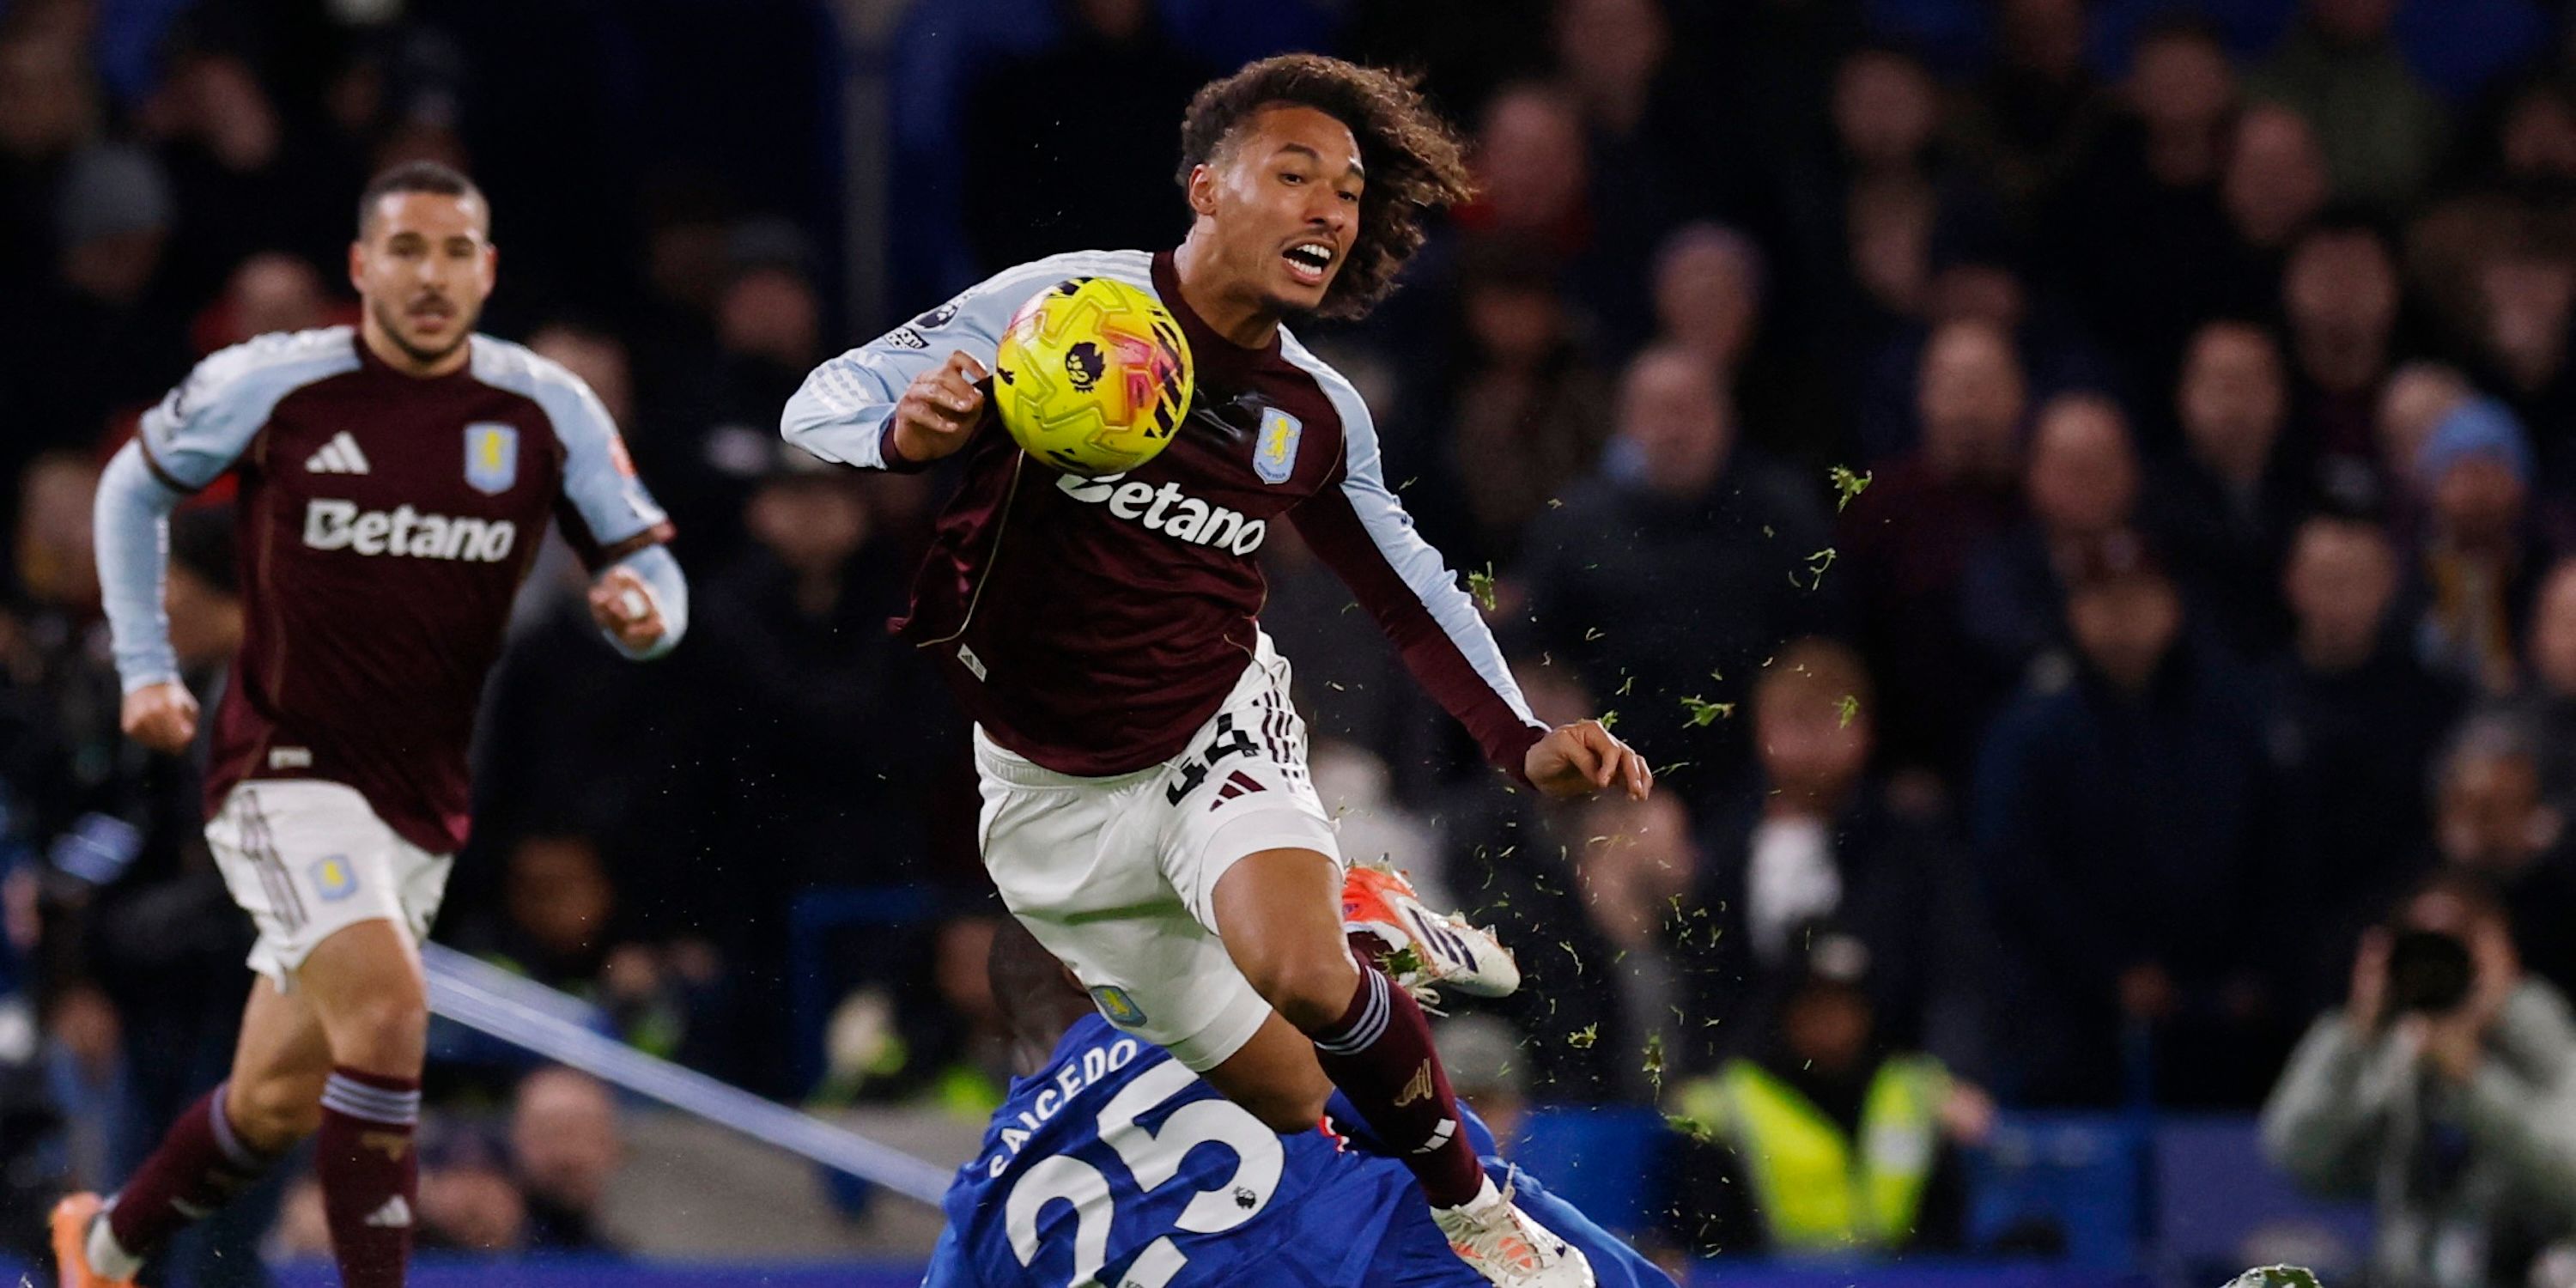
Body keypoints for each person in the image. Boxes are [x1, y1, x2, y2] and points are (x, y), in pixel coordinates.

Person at [782, 55, 1650, 1287]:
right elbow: (821, 398)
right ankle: (1363, 913)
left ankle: (1481, 1223)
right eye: (1293, 174)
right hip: (1047, 799)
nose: (1327, 211)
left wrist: (1521, 740)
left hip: (1213, 733)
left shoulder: (1315, 410)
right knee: (1299, 1091)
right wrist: (898, 428)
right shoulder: (1061, 309)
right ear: (1205, 186)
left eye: (1347, 192)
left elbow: (1408, 588)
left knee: (1297, 974)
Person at [54, 160, 688, 1288]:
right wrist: (147, 665)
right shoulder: (277, 382)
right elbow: (127, 488)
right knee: (390, 1011)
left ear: (486, 271)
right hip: (281, 773)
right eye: (405, 249)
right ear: (362, 267)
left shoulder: (546, 408)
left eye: (454, 251)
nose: (430, 273)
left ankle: (101, 1248)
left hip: (420, 805)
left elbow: (646, 558)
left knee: (269, 1100)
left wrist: (646, 617)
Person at [920, 918, 1675, 1288]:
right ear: (1085, 970)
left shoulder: (981, 1199)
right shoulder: (1214, 1020)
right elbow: (1449, 1145)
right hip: (1384, 1262)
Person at [2262, 871, 2576, 1288]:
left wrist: (2473, 1081)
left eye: (2456, 945)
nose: (2437, 966)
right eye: (2420, 948)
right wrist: (2353, 1036)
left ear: (2501, 952)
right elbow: (2298, 1156)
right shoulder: (2393, 1053)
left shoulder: (2545, 1042)